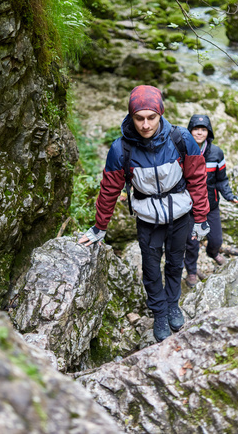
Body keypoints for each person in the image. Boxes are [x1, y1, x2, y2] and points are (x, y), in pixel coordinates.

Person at [79, 86, 210, 342]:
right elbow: (109, 190)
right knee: (151, 268)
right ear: (131, 117)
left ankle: (173, 304)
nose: (146, 124)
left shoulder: (181, 139)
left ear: (161, 113)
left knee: (175, 262)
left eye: (151, 117)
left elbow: (197, 179)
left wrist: (202, 218)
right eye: (139, 118)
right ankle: (159, 313)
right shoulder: (121, 149)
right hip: (148, 219)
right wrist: (99, 227)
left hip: (180, 214)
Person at [184, 114, 238, 288]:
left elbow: (222, 179)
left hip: (211, 205)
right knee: (191, 244)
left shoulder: (216, 153)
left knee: (216, 240)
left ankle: (213, 253)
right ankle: (191, 272)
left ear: (209, 132)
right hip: (190, 207)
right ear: (189, 131)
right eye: (195, 129)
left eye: (203, 130)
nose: (199, 133)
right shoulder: (183, 151)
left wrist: (229, 195)